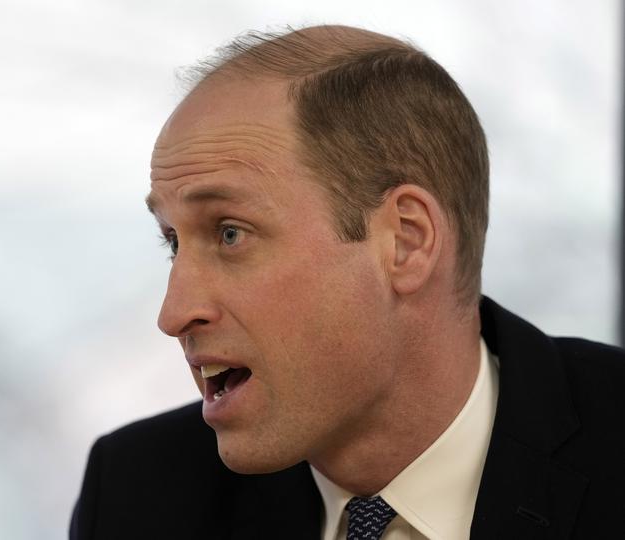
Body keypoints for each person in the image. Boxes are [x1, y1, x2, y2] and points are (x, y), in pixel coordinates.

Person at [70, 25, 625, 539]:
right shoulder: (135, 494)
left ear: (406, 242)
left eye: (230, 233)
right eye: (173, 242)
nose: (173, 315)